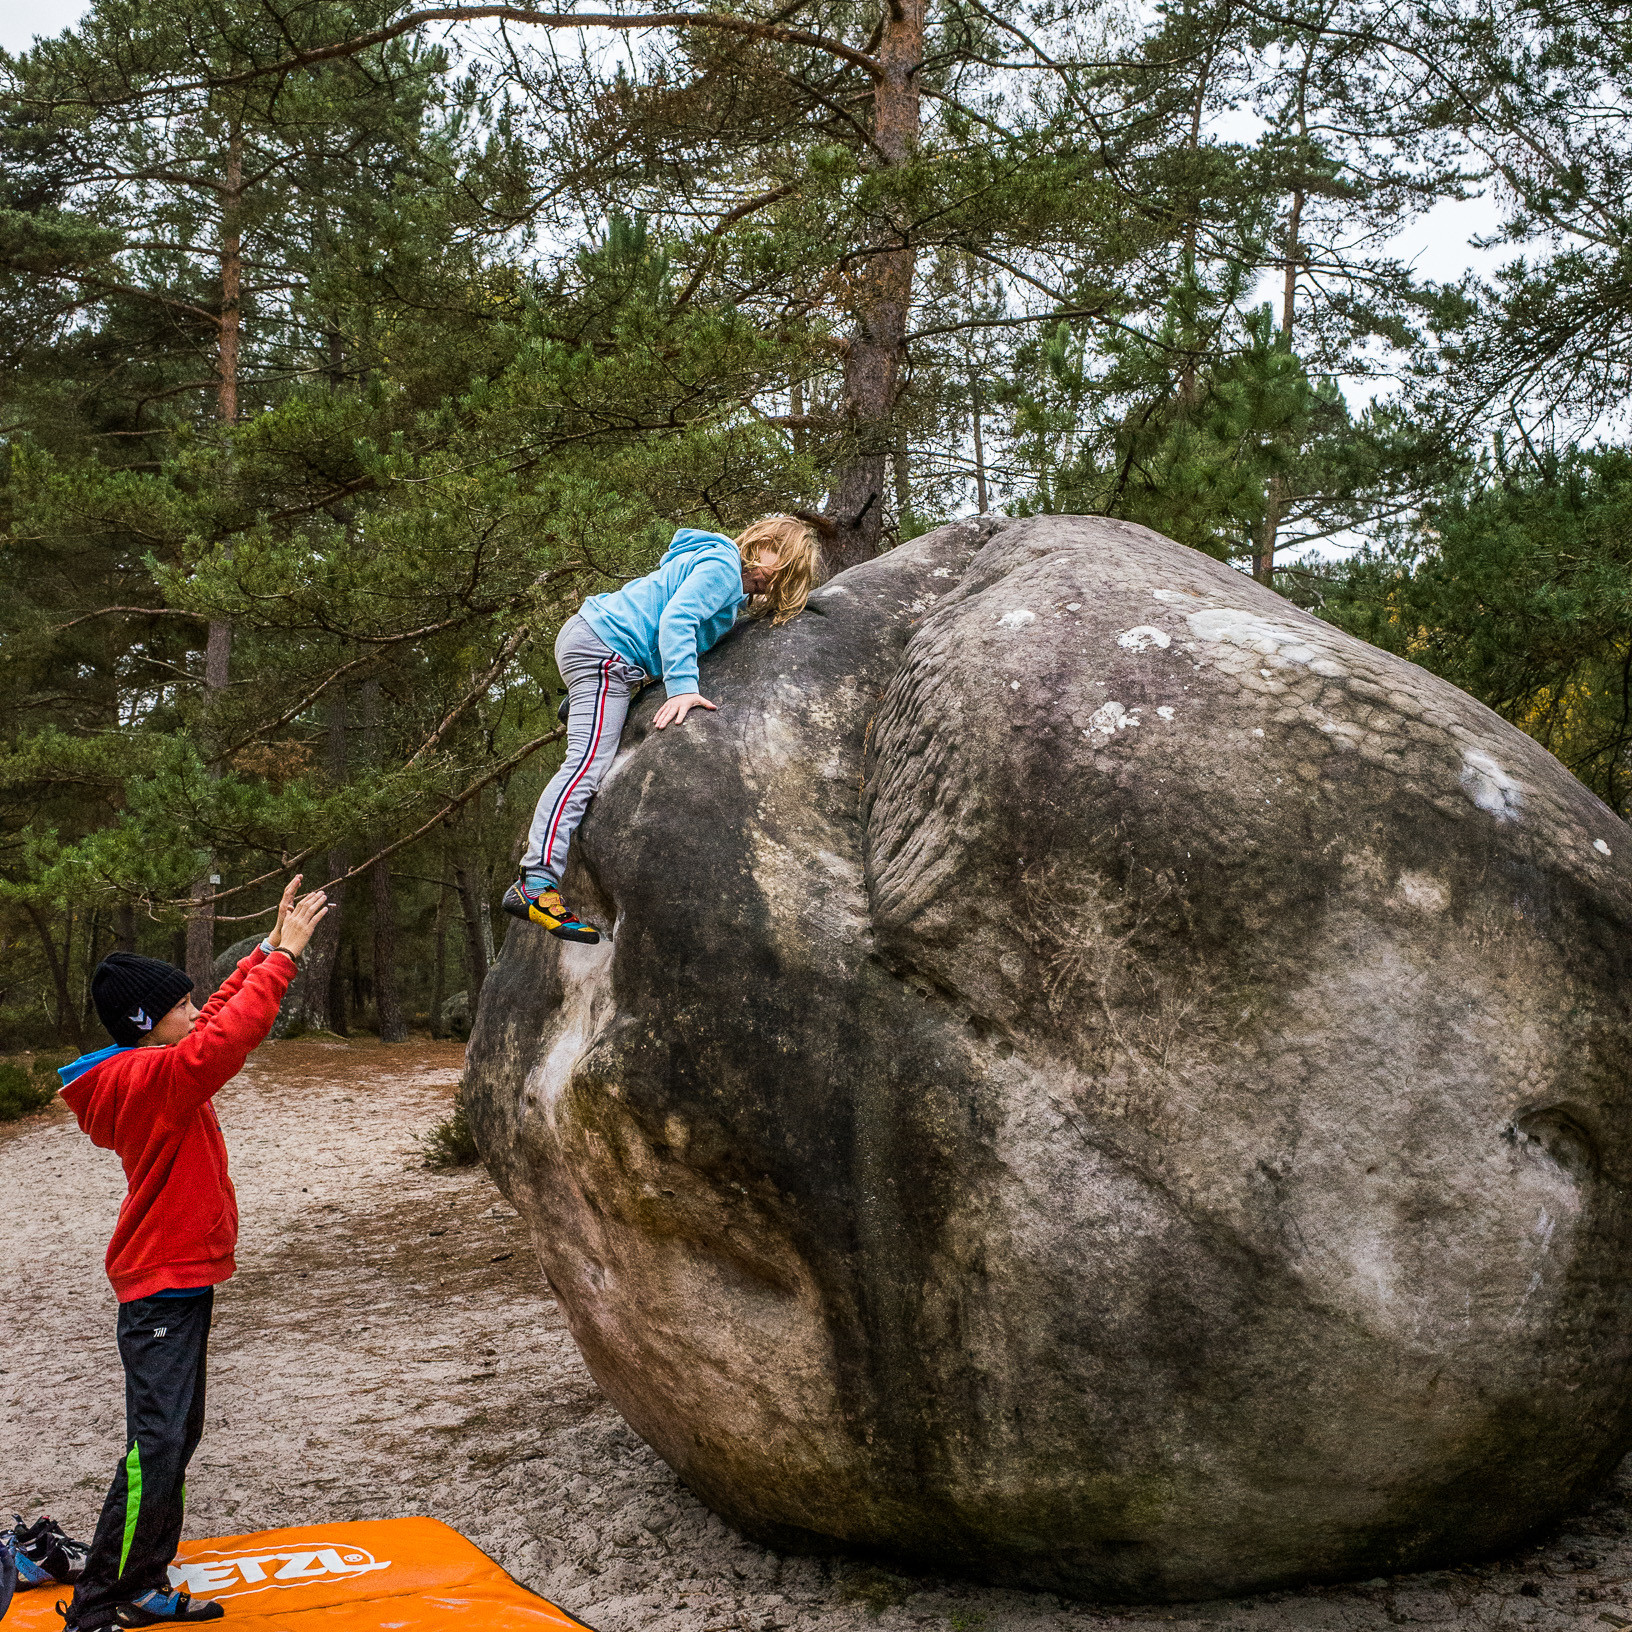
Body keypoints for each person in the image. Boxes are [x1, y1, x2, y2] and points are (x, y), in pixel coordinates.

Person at [54, 877, 328, 1630]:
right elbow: (223, 1039)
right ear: (146, 1022)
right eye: (179, 1006)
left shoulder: (150, 1064)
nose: (194, 1012)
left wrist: (270, 945)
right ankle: (101, 1604)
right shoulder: (154, 1078)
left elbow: (208, 1021)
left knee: (174, 1441)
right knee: (155, 1448)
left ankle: (141, 1586)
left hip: (178, 1283)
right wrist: (285, 963)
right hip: (160, 1289)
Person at [504, 515, 821, 942]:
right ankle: (535, 884)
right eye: (778, 560)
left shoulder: (721, 576)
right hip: (606, 653)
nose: (776, 576)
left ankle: (584, 702)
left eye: (790, 575)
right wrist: (683, 690)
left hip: (597, 640)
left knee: (595, 739)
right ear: (760, 543)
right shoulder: (724, 568)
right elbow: (676, 620)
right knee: (584, 766)